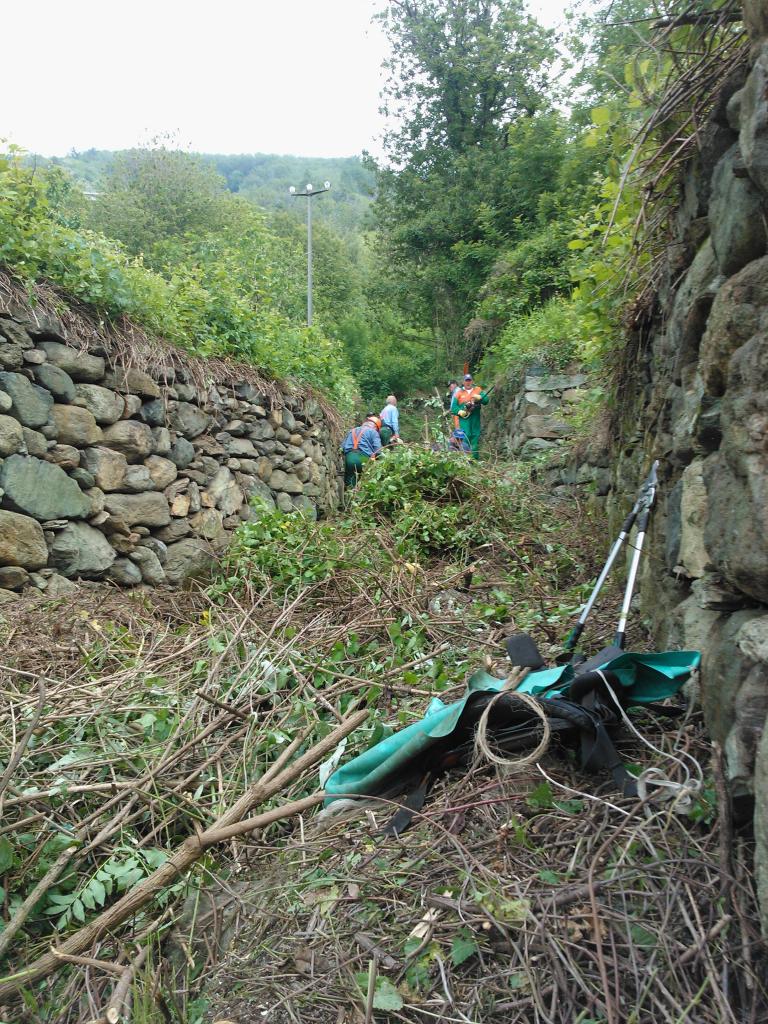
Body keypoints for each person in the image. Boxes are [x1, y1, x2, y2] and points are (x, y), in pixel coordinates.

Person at [450, 373, 490, 459]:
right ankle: (466, 460)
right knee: (465, 438)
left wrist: (480, 397)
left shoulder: (478, 389)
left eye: (469, 380)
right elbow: (453, 408)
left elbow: (486, 400)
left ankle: (475, 460)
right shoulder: (459, 393)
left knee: (475, 438)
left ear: (472, 381)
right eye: (466, 381)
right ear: (463, 382)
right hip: (464, 421)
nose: (468, 382)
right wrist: (459, 411)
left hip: (475, 419)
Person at [341, 414, 382, 488]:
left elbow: (343, 447)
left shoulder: (352, 430)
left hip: (350, 458)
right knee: (365, 481)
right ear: (376, 427)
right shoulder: (373, 432)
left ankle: (349, 492)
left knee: (350, 479)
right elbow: (378, 450)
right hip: (364, 459)